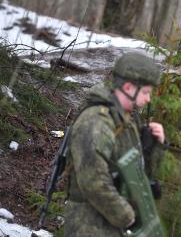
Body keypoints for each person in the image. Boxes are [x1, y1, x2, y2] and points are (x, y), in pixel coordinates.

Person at [64, 52, 166, 236]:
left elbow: (136, 173)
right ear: (128, 87)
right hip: (89, 225)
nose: (148, 99)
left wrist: (153, 147)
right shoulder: (96, 121)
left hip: (112, 224)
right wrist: (129, 217)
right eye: (145, 92)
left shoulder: (128, 120)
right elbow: (93, 182)